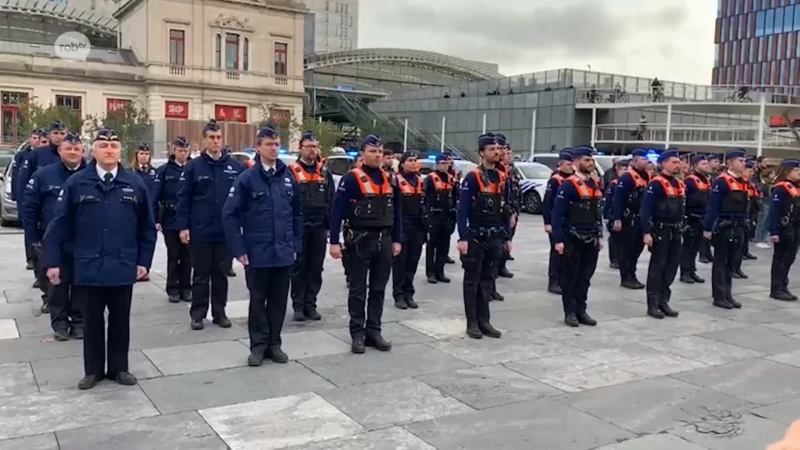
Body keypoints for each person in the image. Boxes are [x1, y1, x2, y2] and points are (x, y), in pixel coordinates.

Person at [43, 128, 157, 390]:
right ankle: (93, 370)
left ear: (120, 151)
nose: (109, 149)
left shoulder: (134, 183)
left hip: (122, 264)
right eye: (103, 145)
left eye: (114, 145)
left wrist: (144, 261)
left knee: (120, 321)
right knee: (92, 322)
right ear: (93, 150)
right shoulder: (77, 183)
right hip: (89, 264)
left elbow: (147, 228)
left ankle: (119, 368)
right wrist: (52, 262)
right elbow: (59, 225)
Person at [223, 126, 303, 366]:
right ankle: (258, 346)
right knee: (258, 300)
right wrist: (239, 250)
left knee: (279, 301)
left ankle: (274, 344)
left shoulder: (287, 176)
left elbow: (297, 212)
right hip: (257, 251)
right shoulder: (247, 178)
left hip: (283, 250)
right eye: (269, 144)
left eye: (277, 144)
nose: (274, 148)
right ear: (258, 147)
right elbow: (230, 215)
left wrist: (295, 244)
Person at [329, 134, 401, 353]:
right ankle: (357, 333)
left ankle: (374, 331)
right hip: (360, 241)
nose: (377, 155)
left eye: (380, 151)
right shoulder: (351, 179)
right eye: (372, 151)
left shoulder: (390, 179)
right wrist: (334, 242)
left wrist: (397, 239)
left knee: (379, 289)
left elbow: (397, 212)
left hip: (385, 241)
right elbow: (337, 211)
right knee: (358, 290)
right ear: (362, 154)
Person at [176, 119, 245, 330]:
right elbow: (183, 198)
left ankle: (219, 312)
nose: (216, 142)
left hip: (225, 232)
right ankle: (197, 314)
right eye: (211, 138)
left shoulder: (235, 167)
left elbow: (242, 200)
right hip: (201, 230)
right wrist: (183, 226)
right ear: (204, 140)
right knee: (200, 274)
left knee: (221, 275)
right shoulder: (193, 167)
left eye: (218, 138)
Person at [22, 132, 86, 340]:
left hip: (83, 241)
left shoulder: (90, 175)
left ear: (82, 151)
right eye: (69, 148)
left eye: (77, 149)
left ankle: (78, 322)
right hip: (53, 241)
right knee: (56, 283)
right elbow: (29, 208)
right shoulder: (43, 175)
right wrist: (33, 238)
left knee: (80, 284)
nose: (73, 152)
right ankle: (59, 323)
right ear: (60, 151)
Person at [456, 133, 508, 339]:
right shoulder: (473, 177)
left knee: (488, 280)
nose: (496, 152)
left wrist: (507, 237)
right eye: (491, 149)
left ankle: (485, 321)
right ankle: (472, 322)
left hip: (494, 235)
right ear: (481, 153)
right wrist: (462, 238)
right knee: (472, 281)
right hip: (476, 235)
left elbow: (505, 209)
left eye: (498, 149)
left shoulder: (501, 177)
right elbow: (463, 210)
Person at [551, 145, 603, 327]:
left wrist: (600, 235)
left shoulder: (594, 183)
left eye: (592, 160)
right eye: (587, 160)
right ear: (576, 162)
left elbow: (598, 212)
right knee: (570, 277)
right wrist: (558, 239)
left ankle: (582, 310)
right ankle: (570, 312)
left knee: (585, 277)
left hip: (591, 237)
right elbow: (557, 214)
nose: (591, 163)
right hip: (572, 238)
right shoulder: (568, 184)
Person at [18, 121, 68, 296]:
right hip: (43, 218)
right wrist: (26, 216)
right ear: (49, 135)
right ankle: (47, 295)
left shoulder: (70, 154)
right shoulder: (37, 155)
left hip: (64, 219)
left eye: (62, 133)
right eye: (56, 133)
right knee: (43, 262)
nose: (59, 137)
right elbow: (23, 185)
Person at [289, 132, 334, 321]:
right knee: (299, 267)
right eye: (308, 147)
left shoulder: (325, 172)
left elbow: (331, 199)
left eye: (315, 146)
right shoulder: (291, 171)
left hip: (319, 227)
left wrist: (332, 228)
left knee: (316, 268)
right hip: (299, 227)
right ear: (301, 148)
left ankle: (311, 305)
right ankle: (298, 306)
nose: (312, 150)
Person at [703, 149, 749, 309]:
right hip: (724, 226)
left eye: (744, 161)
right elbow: (713, 206)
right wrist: (708, 227)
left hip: (739, 226)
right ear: (730, 162)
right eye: (740, 161)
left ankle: (728, 294)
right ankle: (719, 295)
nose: (744, 164)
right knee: (721, 262)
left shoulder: (743, 181)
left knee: (733, 262)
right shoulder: (721, 181)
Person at [640, 150, 683, 319]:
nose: (677, 165)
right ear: (663, 163)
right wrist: (646, 232)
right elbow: (646, 209)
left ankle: (664, 300)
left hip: (675, 230)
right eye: (674, 162)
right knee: (657, 268)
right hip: (661, 230)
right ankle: (653, 304)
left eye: (678, 162)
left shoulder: (679, 183)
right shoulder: (656, 184)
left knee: (671, 267)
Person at [152, 137, 192, 303]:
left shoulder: (192, 168)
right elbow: (155, 196)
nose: (183, 154)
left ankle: (186, 288)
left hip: (188, 220)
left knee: (188, 257)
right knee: (173, 255)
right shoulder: (164, 171)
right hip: (170, 218)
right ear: (173, 150)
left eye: (185, 151)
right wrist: (156, 219)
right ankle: (173, 288)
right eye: (180, 150)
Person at [611, 149, 651, 289]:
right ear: (635, 161)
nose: (646, 162)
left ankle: (632, 274)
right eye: (643, 159)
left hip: (641, 218)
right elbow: (618, 199)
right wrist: (617, 218)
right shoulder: (627, 177)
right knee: (627, 249)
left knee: (637, 249)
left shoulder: (646, 176)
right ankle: (625, 277)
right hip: (629, 219)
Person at [391, 151, 425, 309]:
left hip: (417, 225)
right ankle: (398, 294)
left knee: (413, 260)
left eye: (415, 160)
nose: (413, 163)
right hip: (402, 224)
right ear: (402, 163)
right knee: (400, 262)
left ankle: (408, 293)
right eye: (410, 160)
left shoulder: (419, 180)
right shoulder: (396, 181)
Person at [766, 159, 800, 301]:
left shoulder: (796, 187)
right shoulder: (781, 188)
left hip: (796, 226)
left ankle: (783, 285)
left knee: (789, 258)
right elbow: (773, 211)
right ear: (787, 171)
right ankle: (776, 288)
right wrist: (773, 231)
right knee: (780, 258)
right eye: (796, 170)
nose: (799, 172)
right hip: (784, 227)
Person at [542, 150, 574, 294]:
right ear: (561, 164)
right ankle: (553, 281)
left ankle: (563, 279)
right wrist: (547, 222)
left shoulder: (574, 179)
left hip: (570, 222)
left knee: (567, 253)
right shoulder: (555, 180)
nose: (571, 166)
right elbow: (547, 202)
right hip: (556, 221)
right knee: (556, 251)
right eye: (568, 164)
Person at [680, 154, 711, 284]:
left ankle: (692, 271)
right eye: (703, 164)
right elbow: (684, 200)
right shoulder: (690, 181)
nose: (706, 166)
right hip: (692, 217)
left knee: (696, 246)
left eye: (706, 163)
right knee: (688, 246)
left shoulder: (707, 180)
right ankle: (685, 272)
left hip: (702, 217)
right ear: (695, 166)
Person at [12, 129, 41, 271]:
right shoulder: (23, 155)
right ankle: (30, 258)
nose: (36, 141)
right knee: (29, 231)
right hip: (28, 197)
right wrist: (17, 198)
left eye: (39, 138)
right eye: (34, 138)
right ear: (30, 139)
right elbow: (18, 179)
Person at [425, 154, 455, 284]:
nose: (445, 165)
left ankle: (440, 271)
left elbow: (455, 197)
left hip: (446, 216)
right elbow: (425, 198)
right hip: (433, 216)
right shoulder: (430, 179)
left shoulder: (451, 179)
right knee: (431, 246)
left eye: (447, 163)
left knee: (444, 246)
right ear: (437, 164)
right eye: (442, 163)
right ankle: (431, 273)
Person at [131, 143, 156, 282]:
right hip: (135, 210)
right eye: (141, 154)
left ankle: (145, 268)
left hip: (150, 211)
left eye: (146, 154)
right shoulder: (131, 172)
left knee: (148, 241)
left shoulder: (154, 172)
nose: (144, 156)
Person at [340, 155, 363, 288]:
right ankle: (350, 275)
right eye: (359, 161)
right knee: (349, 252)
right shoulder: (349, 179)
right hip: (350, 223)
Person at [604, 160, 629, 270]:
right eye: (623, 169)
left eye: (627, 169)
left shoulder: (628, 182)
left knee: (623, 239)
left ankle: (621, 258)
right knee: (614, 238)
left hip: (625, 214)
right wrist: (607, 216)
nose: (625, 171)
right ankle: (614, 259)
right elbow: (609, 200)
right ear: (618, 170)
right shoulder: (614, 183)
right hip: (613, 213)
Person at [742, 159, 760, 261]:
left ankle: (745, 250)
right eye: (750, 171)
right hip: (745, 210)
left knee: (748, 232)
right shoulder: (742, 182)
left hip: (752, 209)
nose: (752, 173)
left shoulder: (750, 183)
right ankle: (741, 252)